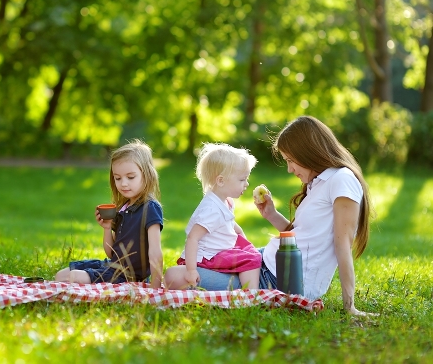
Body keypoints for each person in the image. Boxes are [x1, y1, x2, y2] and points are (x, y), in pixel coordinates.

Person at [165, 116, 375, 316]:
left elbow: (342, 245)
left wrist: (350, 306)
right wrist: (271, 215)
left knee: (174, 276)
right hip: (266, 262)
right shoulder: (318, 183)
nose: (289, 169)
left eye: (291, 160)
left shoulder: (342, 180)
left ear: (309, 152)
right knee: (191, 266)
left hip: (276, 279)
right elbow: (301, 237)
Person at [55, 139, 164, 288]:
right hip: (111, 266)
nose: (123, 183)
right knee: (60, 275)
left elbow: (155, 252)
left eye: (130, 177)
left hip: (126, 275)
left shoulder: (150, 208)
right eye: (117, 178)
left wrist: (156, 287)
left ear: (147, 175)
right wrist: (107, 228)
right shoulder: (123, 208)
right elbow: (111, 253)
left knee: (70, 277)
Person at [164, 143, 261, 290]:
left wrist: (242, 237)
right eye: (242, 179)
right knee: (252, 258)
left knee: (250, 253)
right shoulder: (211, 209)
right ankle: (251, 293)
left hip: (219, 251)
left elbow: (230, 224)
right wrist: (191, 270)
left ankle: (246, 287)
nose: (246, 184)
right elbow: (193, 237)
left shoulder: (225, 201)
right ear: (221, 180)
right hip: (208, 257)